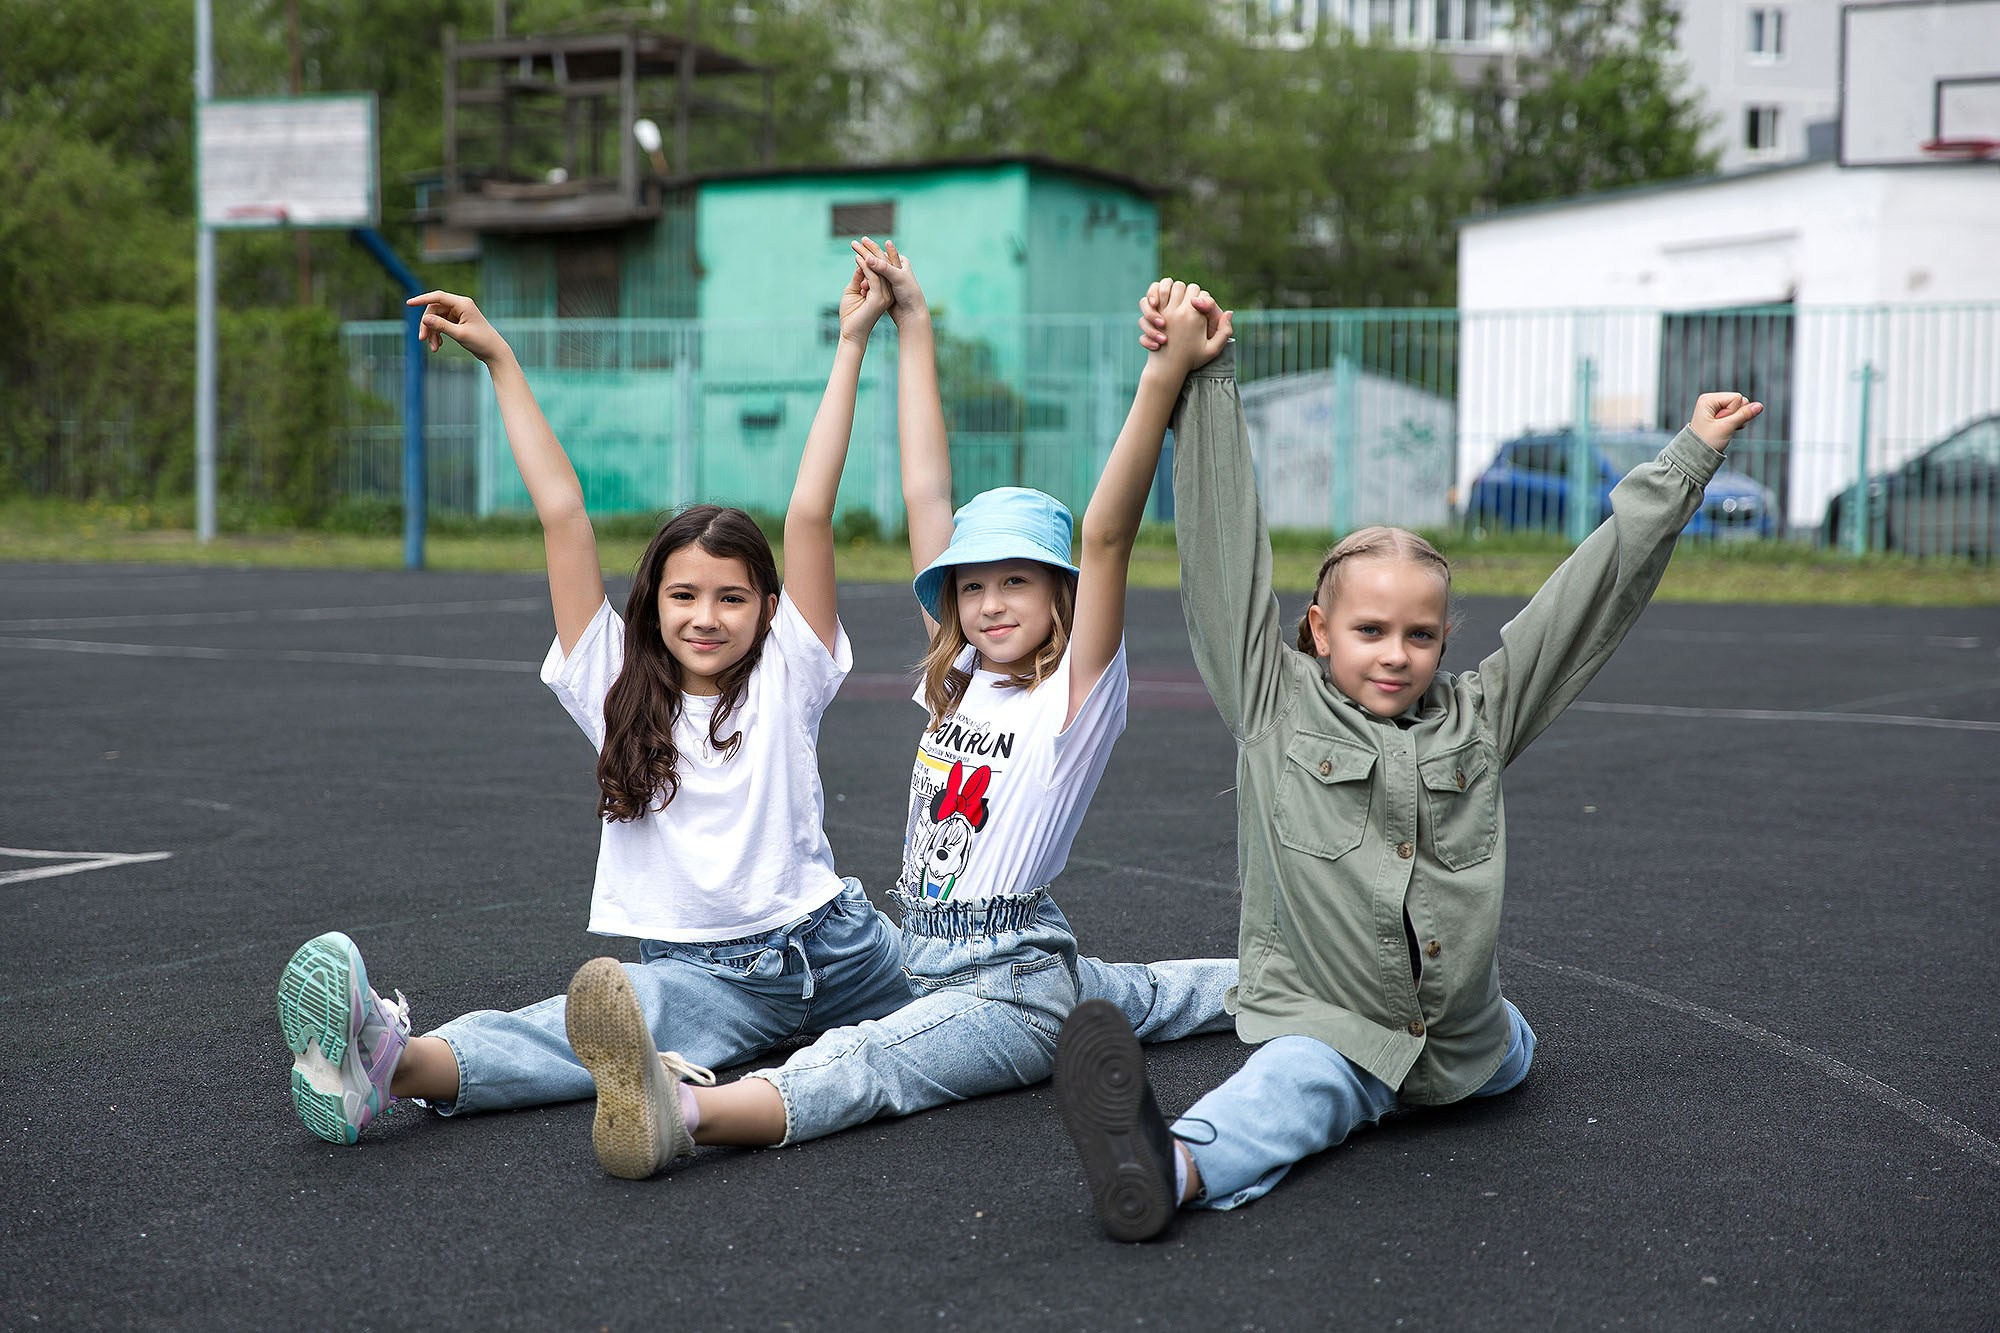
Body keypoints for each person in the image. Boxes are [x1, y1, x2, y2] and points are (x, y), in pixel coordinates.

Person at [1051, 281, 1765, 1241]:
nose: (1397, 652)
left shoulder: (1477, 718)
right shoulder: (1272, 701)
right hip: (1334, 1026)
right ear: (1319, 629)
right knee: (1290, 1090)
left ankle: (1475, 1043)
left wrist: (1687, 459)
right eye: (1371, 629)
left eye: (1422, 633)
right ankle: (1169, 1163)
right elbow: (1224, 554)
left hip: (1470, 1046)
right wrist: (1206, 378)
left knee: (1517, 1046)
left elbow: (1584, 601)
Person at [564, 249, 1239, 1179]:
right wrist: (910, 320)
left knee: (874, 1062)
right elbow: (927, 491)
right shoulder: (959, 672)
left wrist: (1164, 373)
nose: (991, 602)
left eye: (1017, 582)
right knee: (1160, 992)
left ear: (1062, 599)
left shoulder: (1073, 693)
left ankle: (688, 1111)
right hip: (913, 947)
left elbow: (1107, 531)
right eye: (971, 585)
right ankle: (1301, 980)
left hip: (1009, 979)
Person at [274, 260, 926, 1144]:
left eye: (732, 597)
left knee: (977, 1001)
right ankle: (388, 1062)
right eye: (685, 594)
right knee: (575, 1029)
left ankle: (1127, 995)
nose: (707, 616)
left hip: (841, 943)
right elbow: (563, 513)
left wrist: (852, 343)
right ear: (651, 601)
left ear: (769, 609)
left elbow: (811, 509)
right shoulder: (613, 679)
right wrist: (501, 360)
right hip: (708, 977)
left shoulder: (789, 665)